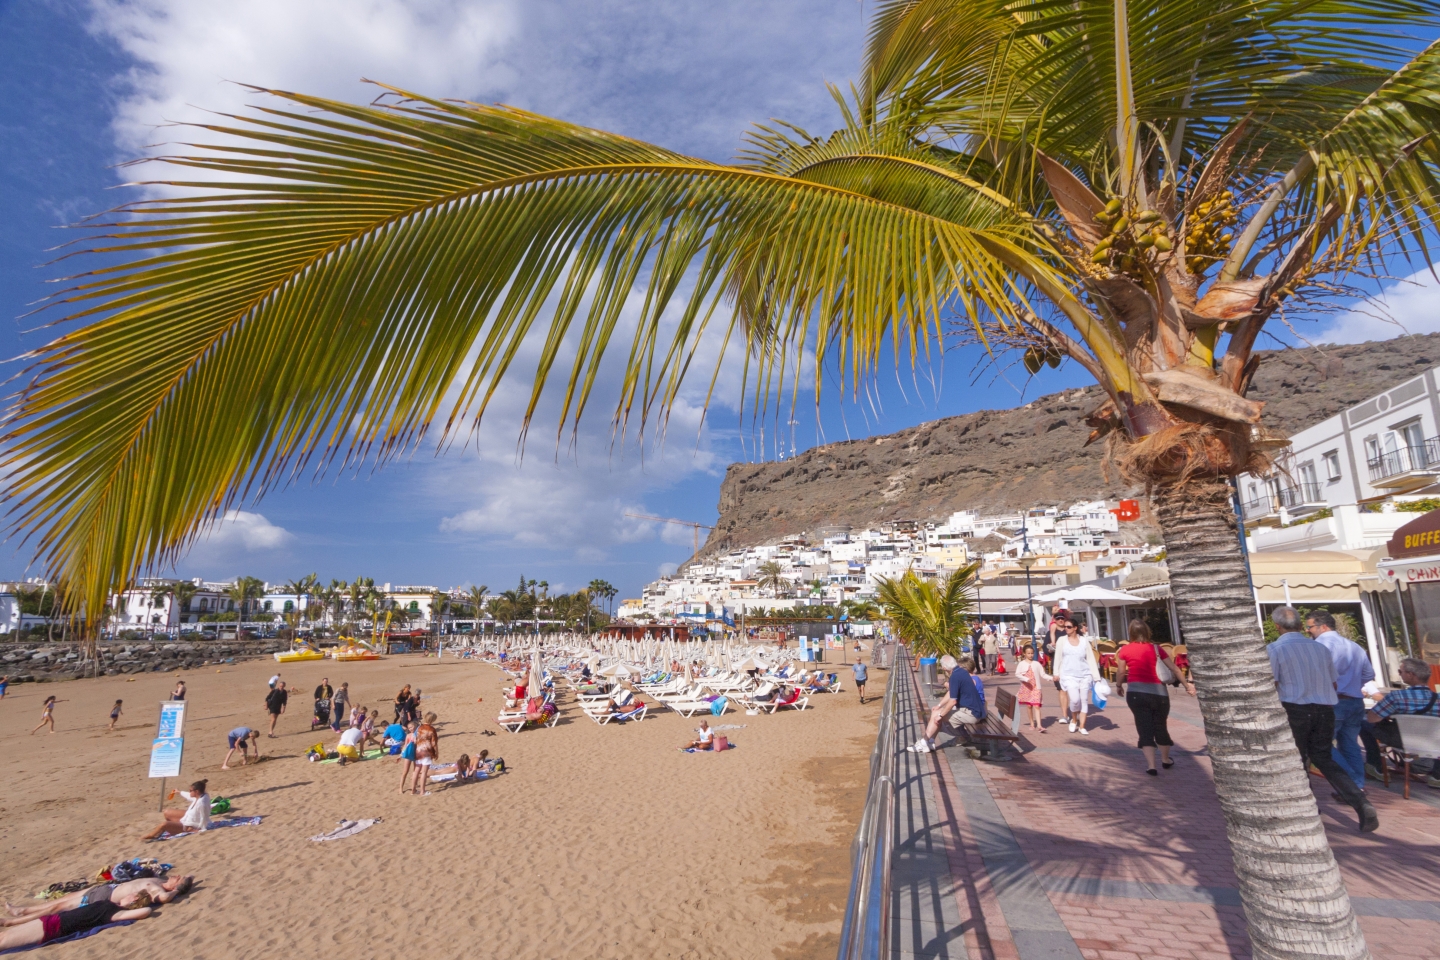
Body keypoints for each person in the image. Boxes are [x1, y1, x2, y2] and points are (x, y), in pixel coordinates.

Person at [1267, 606, 1378, 832]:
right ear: (1299, 625)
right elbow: (1333, 683)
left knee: (1296, 759)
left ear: (1277, 626)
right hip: (1325, 708)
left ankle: (1306, 807)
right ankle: (1360, 801)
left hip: (1295, 708)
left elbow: (1273, 683)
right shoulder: (1319, 649)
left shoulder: (1275, 649)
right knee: (1324, 757)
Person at [1305, 610, 1373, 792]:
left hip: (1333, 702)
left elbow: (1316, 675)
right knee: (1350, 743)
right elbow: (1369, 675)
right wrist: (1351, 683)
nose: (1308, 631)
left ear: (1323, 626)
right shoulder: (1354, 646)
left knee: (1321, 745)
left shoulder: (1320, 646)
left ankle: (1351, 783)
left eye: (1310, 627)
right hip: (1355, 701)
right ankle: (1356, 786)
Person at [1115, 620, 1195, 774]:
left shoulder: (1125, 650)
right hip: (1159, 693)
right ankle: (1165, 760)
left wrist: (1119, 686)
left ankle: (1151, 766)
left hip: (1136, 694)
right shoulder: (1157, 649)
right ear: (1147, 632)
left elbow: (1120, 672)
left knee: (1144, 727)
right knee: (1160, 726)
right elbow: (1175, 669)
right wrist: (1187, 685)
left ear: (1130, 633)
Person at [1363, 656, 1440, 786]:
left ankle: (1377, 767)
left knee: (1364, 723)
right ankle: (1437, 776)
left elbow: (1372, 718)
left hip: (1401, 740)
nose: (1400, 675)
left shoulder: (1396, 697)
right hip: (1432, 741)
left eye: (1400, 672)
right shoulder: (1438, 698)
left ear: (1411, 675)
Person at [2, 875, 192, 925]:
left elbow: (166, 898)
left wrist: (178, 889)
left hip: (104, 897)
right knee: (62, 900)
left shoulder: (159, 890)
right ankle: (23, 910)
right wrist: (185, 881)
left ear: (176, 885)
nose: (176, 875)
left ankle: (13, 921)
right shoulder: (159, 880)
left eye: (178, 878)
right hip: (105, 889)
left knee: (56, 908)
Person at [0, 900, 154, 949]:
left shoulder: (116, 913)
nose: (130, 895)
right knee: (3, 935)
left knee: (4, 939)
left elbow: (146, 911)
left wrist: (138, 906)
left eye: (134, 897)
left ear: (135, 903)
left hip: (54, 928)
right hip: (51, 919)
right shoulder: (110, 904)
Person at [908, 657, 985, 753]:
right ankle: (930, 742)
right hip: (974, 711)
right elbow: (951, 693)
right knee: (936, 713)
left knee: (937, 716)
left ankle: (924, 743)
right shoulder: (962, 672)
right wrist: (939, 706)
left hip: (971, 714)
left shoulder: (955, 676)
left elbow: (953, 701)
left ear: (944, 668)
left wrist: (940, 714)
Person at [1052, 620, 1101, 734]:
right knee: (1075, 700)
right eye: (1065, 627)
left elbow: (1090, 659)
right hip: (1068, 675)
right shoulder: (1062, 640)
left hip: (1084, 674)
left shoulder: (1084, 641)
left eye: (1068, 627)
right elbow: (1058, 657)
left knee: (1084, 700)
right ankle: (1074, 720)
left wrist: (1096, 677)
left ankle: (1082, 726)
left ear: (1075, 628)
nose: (1066, 629)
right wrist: (1055, 673)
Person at [143, 780, 211, 840]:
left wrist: (200, 830)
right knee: (167, 812)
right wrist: (179, 792)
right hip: (189, 818)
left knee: (164, 824)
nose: (189, 792)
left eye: (190, 791)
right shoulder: (201, 795)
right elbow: (188, 796)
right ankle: (173, 828)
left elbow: (204, 817)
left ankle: (150, 836)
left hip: (190, 826)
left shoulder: (202, 803)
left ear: (197, 791)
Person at [1014, 645, 1049, 731]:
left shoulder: (1036, 664)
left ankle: (1039, 726)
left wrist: (1052, 678)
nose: (1030, 655)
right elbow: (1017, 674)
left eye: (1032, 653)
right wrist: (1026, 679)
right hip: (1026, 687)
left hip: (1036, 687)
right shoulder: (1021, 664)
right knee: (1029, 706)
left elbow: (1043, 674)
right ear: (1024, 654)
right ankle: (1032, 723)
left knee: (1036, 706)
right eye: (1028, 653)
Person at [412, 713, 440, 795]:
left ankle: (413, 790)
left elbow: (415, 739)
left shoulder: (419, 728)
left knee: (416, 771)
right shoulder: (432, 729)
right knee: (424, 772)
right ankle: (422, 791)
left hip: (418, 750)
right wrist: (436, 753)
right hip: (427, 751)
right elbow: (434, 743)